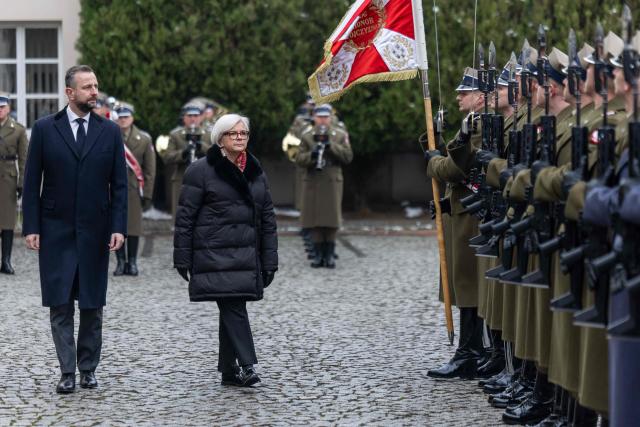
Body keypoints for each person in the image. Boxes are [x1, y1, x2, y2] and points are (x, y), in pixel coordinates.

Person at [21, 65, 127, 394]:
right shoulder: (44, 129)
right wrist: (31, 227)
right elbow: (31, 181)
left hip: (96, 232)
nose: (94, 92)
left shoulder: (109, 131)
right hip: (55, 232)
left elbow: (120, 186)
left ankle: (88, 369)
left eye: (95, 85)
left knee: (93, 305)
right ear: (70, 93)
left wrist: (118, 227)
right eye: (87, 87)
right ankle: (67, 371)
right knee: (61, 304)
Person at [173, 113, 278, 387]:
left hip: (245, 255)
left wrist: (270, 260)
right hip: (213, 254)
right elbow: (185, 218)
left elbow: (267, 218)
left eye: (243, 133)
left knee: (231, 306)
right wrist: (182, 258)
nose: (240, 138)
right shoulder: (200, 171)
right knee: (234, 306)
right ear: (220, 138)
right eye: (234, 133)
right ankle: (246, 365)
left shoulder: (255, 170)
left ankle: (229, 372)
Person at [424, 67, 485, 379]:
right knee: (464, 286)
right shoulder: (470, 122)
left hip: (472, 216)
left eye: (466, 92)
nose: (459, 96)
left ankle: (470, 352)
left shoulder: (478, 125)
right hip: (462, 210)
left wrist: (432, 158)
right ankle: (470, 349)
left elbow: (454, 170)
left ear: (480, 96)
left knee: (468, 285)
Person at [295, 104, 353, 268]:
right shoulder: (307, 136)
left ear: (330, 118)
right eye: (319, 117)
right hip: (313, 181)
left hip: (331, 182)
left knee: (331, 219)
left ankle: (329, 255)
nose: (322, 120)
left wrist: (331, 146)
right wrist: (312, 155)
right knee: (315, 219)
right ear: (314, 118)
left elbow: (348, 156)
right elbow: (299, 158)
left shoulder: (340, 135)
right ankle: (318, 255)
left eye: (325, 117)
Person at [114, 102, 156, 276]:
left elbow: (150, 169)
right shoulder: (110, 135)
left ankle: (132, 262)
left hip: (134, 190)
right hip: (114, 188)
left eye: (126, 117)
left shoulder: (144, 139)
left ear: (132, 118)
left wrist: (147, 194)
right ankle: (120, 262)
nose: (123, 120)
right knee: (116, 226)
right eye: (121, 117)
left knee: (133, 227)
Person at [160, 101, 212, 219]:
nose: (192, 119)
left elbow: (218, 155)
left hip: (204, 179)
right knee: (181, 216)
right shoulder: (175, 135)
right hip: (181, 179)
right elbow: (167, 157)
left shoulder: (208, 134)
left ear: (201, 117)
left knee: (203, 215)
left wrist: (202, 147)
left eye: (196, 116)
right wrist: (183, 153)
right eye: (189, 116)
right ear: (184, 118)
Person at [0, 91, 28, 274]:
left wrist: (21, 182)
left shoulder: (18, 129)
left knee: (8, 221)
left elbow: (24, 159)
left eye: (2, 107)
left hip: (8, 178)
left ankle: (6, 261)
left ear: (8, 108)